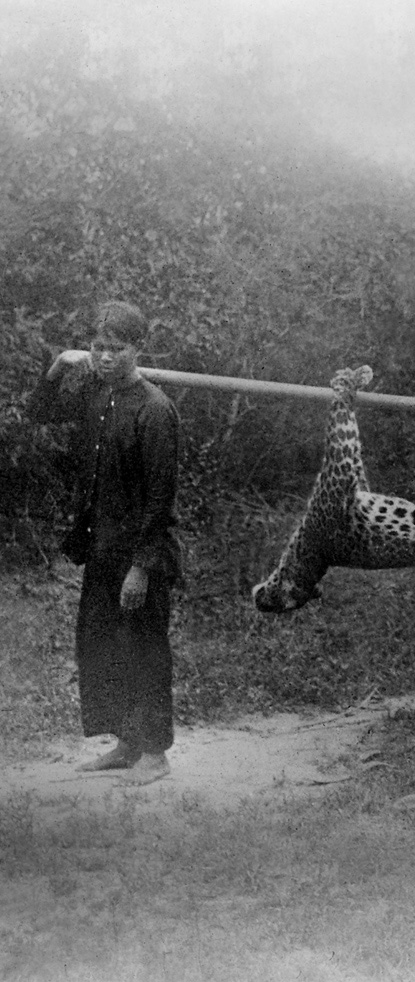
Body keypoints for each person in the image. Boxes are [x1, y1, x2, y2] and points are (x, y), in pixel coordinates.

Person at [28, 301, 181, 786]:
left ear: (139, 349)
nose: (105, 357)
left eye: (117, 348)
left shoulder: (155, 410)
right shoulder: (95, 394)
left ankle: (155, 754)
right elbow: (38, 412)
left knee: (144, 650)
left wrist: (141, 568)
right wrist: (58, 365)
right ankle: (126, 744)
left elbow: (160, 501)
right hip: (101, 549)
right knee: (103, 648)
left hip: (140, 555)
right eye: (98, 347)